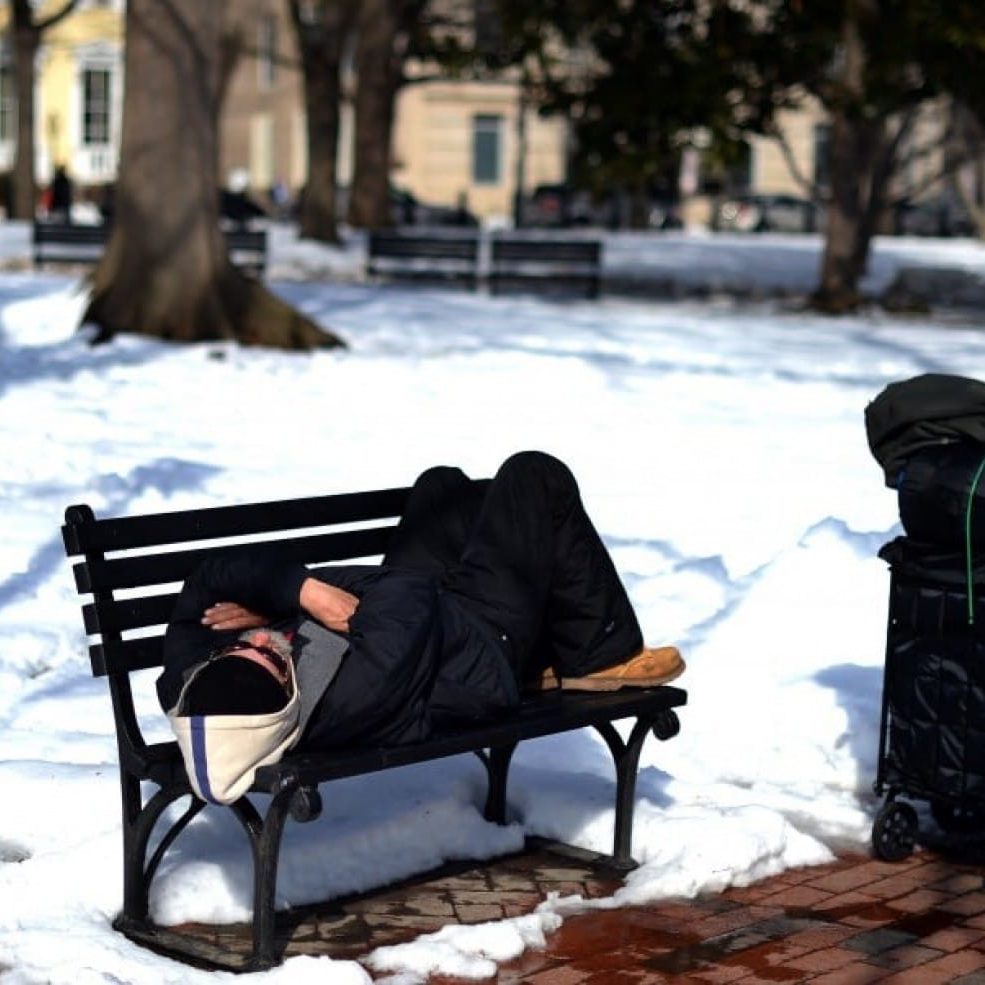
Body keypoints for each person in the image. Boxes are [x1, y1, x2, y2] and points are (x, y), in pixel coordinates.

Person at [160, 451, 685, 804]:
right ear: (286, 699)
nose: (264, 642)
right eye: (273, 659)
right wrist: (311, 591)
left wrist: (288, 597)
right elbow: (404, 597)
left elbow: (213, 572)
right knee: (534, 477)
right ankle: (599, 653)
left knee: (444, 489)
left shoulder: (190, 676)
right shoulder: (350, 697)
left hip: (423, 625)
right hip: (482, 651)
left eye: (245, 646)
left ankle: (553, 642)